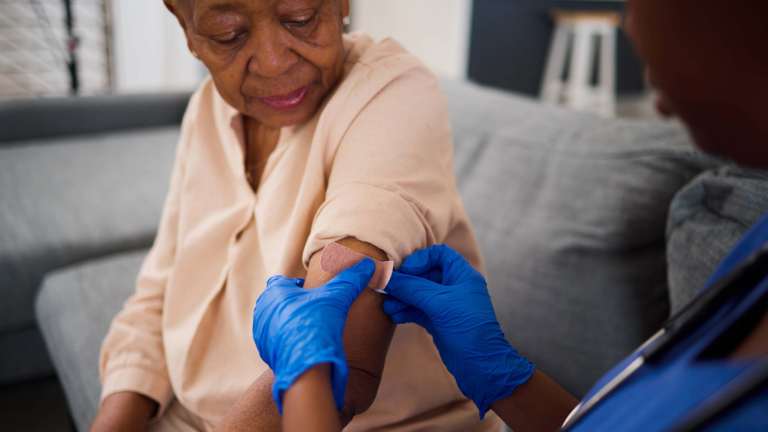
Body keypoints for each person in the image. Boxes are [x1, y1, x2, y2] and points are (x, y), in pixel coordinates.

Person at [251, 0, 768, 431]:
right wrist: (510, 381)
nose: (629, 26)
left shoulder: (391, 88)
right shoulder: (755, 252)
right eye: (227, 34)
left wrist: (306, 380)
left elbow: (350, 364)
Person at [90, 0, 497, 431]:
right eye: (229, 34)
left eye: (301, 18)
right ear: (186, 28)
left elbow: (341, 351)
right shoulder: (207, 108)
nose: (273, 62)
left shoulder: (394, 94)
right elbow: (160, 291)